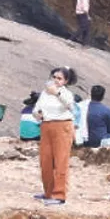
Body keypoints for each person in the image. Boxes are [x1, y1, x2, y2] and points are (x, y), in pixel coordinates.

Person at [32, 66, 79, 206]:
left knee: (60, 160)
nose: (56, 80)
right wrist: (37, 114)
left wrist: (57, 93)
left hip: (62, 125)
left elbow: (71, 106)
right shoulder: (44, 93)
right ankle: (48, 191)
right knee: (45, 160)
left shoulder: (66, 93)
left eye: (59, 78)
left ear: (65, 81)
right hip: (46, 125)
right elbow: (36, 109)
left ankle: (59, 194)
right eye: (54, 77)